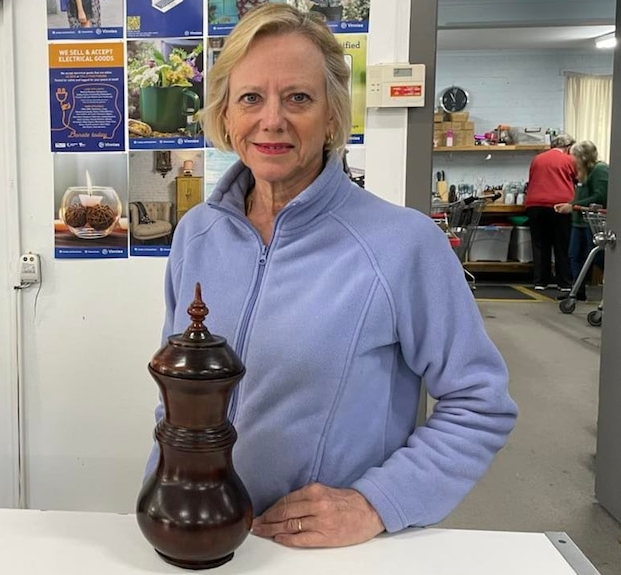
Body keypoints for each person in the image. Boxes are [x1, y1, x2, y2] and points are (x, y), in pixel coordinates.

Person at [145, 3, 517, 548]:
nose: (272, 119)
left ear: (334, 118)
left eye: (298, 97)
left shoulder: (403, 244)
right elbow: (178, 397)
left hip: (330, 554)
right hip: (208, 539)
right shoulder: (196, 234)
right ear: (226, 115)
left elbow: (480, 402)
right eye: (250, 97)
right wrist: (163, 492)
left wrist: (376, 503)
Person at [554, 140, 609, 302]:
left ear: (584, 157)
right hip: (579, 221)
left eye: (576, 157)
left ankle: (612, 285)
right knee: (574, 256)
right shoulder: (583, 173)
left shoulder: (600, 171)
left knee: (597, 257)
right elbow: (582, 195)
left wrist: (573, 206)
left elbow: (600, 196)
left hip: (591, 222)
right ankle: (577, 290)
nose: (573, 161)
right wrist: (571, 205)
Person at [524, 134, 577, 291]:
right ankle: (564, 283)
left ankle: (540, 281)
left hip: (535, 205)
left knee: (540, 244)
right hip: (560, 205)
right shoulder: (569, 160)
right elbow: (577, 179)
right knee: (562, 244)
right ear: (568, 147)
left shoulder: (537, 159)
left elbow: (532, 179)